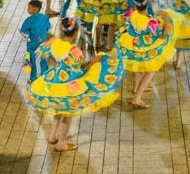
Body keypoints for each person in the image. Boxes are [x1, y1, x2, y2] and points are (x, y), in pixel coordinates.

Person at [22, 17, 124, 152]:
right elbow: (82, 68)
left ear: (62, 31)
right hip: (69, 84)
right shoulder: (75, 51)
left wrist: (57, 69)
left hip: (53, 80)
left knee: (58, 108)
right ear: (76, 33)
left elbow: (49, 61)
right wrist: (96, 61)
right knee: (68, 112)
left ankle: (52, 136)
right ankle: (61, 144)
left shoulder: (52, 42)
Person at [116, 0, 175, 108]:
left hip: (133, 45)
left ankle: (137, 88)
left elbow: (126, 20)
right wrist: (167, 20)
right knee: (151, 70)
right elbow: (161, 35)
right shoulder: (150, 21)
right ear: (147, 3)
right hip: (146, 46)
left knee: (139, 67)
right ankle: (137, 98)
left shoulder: (132, 13)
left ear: (135, 4)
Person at [20, 0, 51, 81]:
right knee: (44, 60)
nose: (27, 9)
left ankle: (33, 78)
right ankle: (44, 76)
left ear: (35, 9)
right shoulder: (45, 17)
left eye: (29, 7)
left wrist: (28, 38)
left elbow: (23, 32)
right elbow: (48, 27)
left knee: (31, 60)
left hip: (32, 44)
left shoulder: (28, 20)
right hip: (43, 43)